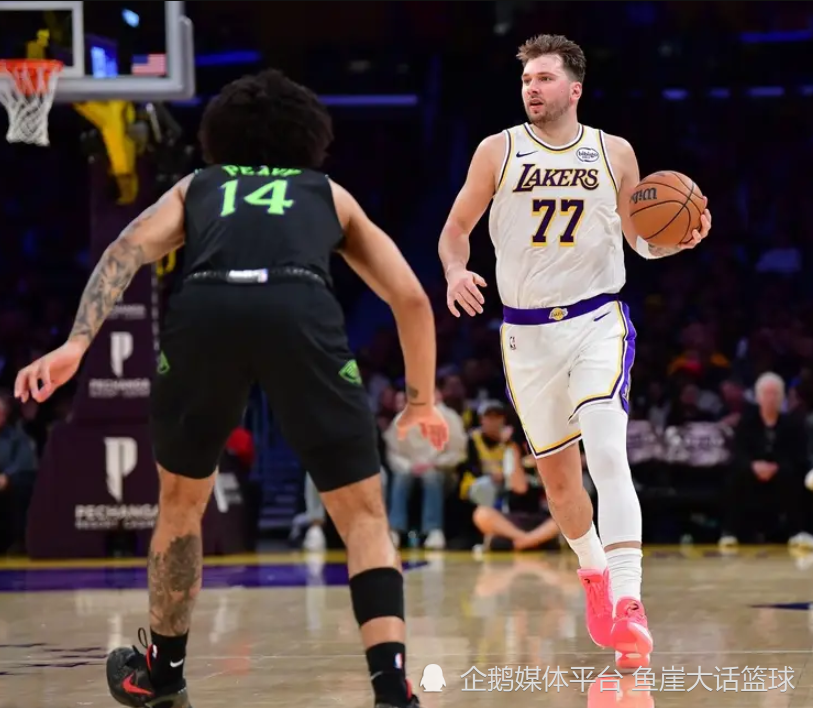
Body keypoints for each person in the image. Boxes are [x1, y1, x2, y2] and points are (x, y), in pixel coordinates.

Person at [15, 68, 449, 708]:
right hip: (300, 304)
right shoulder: (327, 193)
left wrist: (77, 344)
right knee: (362, 517)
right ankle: (391, 689)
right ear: (307, 136)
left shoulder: (198, 186)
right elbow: (410, 297)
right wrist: (419, 401)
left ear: (221, 136)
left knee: (180, 506)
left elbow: (126, 249)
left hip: (208, 308)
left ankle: (163, 676)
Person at [437, 34, 712, 669]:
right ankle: (594, 573)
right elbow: (455, 228)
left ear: (574, 89)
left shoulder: (614, 152)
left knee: (608, 452)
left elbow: (641, 240)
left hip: (596, 321)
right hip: (525, 335)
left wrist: (677, 241)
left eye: (543, 78)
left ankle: (629, 600)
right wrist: (454, 270)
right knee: (561, 486)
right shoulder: (497, 150)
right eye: (526, 80)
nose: (531, 88)